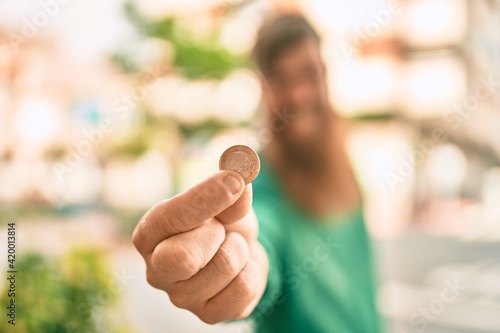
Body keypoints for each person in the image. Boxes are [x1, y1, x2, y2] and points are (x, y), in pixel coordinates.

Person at [132, 14, 382, 333]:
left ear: (324, 74)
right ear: (263, 88)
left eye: (308, 73)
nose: (298, 95)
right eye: (280, 78)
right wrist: (243, 267)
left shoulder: (344, 159)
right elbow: (260, 239)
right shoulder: (263, 186)